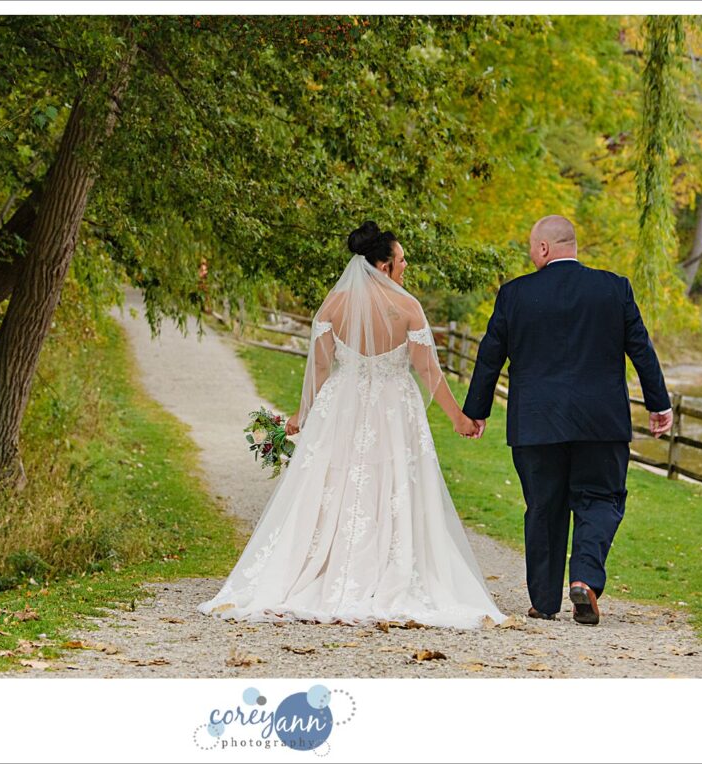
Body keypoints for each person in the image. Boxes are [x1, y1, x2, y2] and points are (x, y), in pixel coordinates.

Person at [197, 221, 508, 629]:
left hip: (341, 409)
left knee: (336, 487)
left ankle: (326, 571)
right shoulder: (409, 308)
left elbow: (321, 370)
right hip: (394, 410)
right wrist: (460, 420)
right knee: (389, 486)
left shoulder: (333, 307)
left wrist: (300, 417)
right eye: (401, 262)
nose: (405, 268)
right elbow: (428, 372)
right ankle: (385, 574)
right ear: (382, 266)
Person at [462, 215, 672, 625]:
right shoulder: (614, 289)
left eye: (530, 245)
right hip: (601, 422)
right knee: (600, 498)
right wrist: (658, 403)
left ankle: (543, 601)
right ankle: (586, 581)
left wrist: (476, 412)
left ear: (543, 249)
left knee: (543, 506)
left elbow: (490, 356)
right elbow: (641, 350)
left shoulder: (514, 294)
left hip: (536, 423)